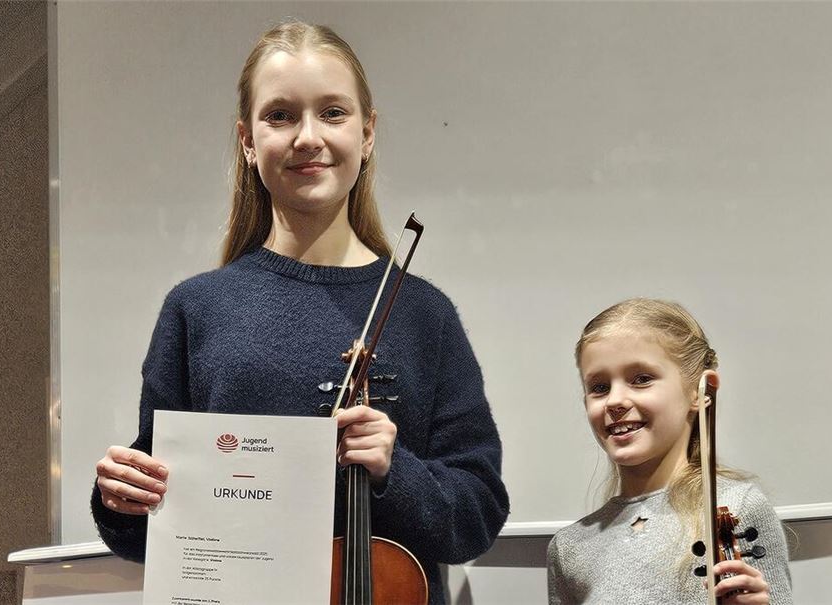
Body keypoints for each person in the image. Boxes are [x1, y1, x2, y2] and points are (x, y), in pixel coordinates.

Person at [90, 21, 509, 605]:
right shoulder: (196, 309)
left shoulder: (424, 314)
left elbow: (478, 513)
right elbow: (153, 528)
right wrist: (122, 498)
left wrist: (397, 471)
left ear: (367, 133)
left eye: (332, 113)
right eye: (281, 116)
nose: (308, 137)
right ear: (247, 140)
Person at [547, 298, 792, 604]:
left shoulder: (738, 507)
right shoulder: (569, 548)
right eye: (599, 387)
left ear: (700, 392)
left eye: (641, 379)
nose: (615, 401)